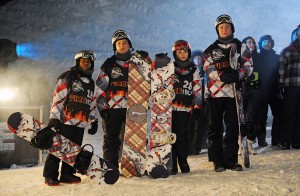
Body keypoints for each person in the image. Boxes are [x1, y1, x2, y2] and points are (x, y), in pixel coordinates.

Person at [203, 14, 252, 172]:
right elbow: (207, 67)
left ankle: (231, 160)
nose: (224, 29)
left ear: (232, 28)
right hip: (215, 93)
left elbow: (249, 65)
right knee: (215, 127)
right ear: (217, 30)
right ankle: (217, 161)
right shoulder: (211, 49)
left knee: (233, 127)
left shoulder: (240, 46)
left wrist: (239, 75)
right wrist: (221, 76)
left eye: (227, 27)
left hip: (233, 93)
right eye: (221, 27)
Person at [43, 50, 99, 186]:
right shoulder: (68, 77)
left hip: (80, 123)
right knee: (57, 149)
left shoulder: (91, 83)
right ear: (77, 62)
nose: (86, 63)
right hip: (64, 120)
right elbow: (57, 98)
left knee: (73, 151)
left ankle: (67, 175)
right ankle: (50, 176)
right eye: (83, 61)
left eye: (88, 61)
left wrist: (94, 120)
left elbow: (91, 103)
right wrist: (54, 118)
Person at [96, 30, 142, 168]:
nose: (122, 46)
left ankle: (134, 166)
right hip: (112, 108)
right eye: (119, 43)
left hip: (133, 107)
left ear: (130, 45)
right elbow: (100, 88)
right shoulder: (109, 64)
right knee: (111, 140)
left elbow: (148, 83)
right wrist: (102, 108)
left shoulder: (138, 63)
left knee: (135, 139)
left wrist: (147, 61)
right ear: (115, 47)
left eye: (125, 43)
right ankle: (111, 167)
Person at [171, 40, 202, 174]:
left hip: (185, 108)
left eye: (184, 51)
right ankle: (172, 163)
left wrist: (197, 107)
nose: (182, 54)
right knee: (170, 136)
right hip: (169, 108)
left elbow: (198, 89)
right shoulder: (169, 68)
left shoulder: (194, 69)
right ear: (175, 53)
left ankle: (182, 160)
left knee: (182, 136)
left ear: (188, 52)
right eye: (179, 52)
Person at [256, 35, 282, 146]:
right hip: (261, 90)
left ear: (272, 43)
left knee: (278, 114)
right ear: (260, 43)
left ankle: (276, 139)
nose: (267, 43)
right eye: (264, 41)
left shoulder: (277, 57)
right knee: (261, 116)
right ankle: (261, 140)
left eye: (269, 41)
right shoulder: (257, 57)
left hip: (274, 90)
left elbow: (280, 72)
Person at [237, 36, 262, 155]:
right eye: (249, 42)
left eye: (253, 42)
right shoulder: (238, 58)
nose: (251, 44)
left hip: (255, 90)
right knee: (240, 118)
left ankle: (250, 142)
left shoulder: (259, 58)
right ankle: (240, 144)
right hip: (241, 89)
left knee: (252, 118)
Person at [277, 25, 300, 150]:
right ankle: (285, 141)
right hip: (291, 87)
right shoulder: (287, 50)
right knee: (288, 115)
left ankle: (297, 141)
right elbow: (282, 69)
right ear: (296, 34)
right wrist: (280, 85)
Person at [188, 50, 208, 155]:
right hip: (192, 101)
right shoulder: (190, 71)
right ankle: (190, 147)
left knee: (200, 126)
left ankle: (197, 147)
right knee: (191, 125)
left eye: (199, 58)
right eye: (195, 58)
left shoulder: (206, 71)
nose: (198, 60)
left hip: (204, 101)